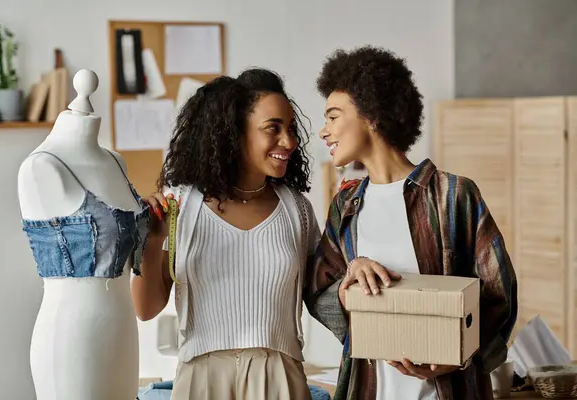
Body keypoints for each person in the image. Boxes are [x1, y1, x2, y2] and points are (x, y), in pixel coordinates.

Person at [303, 46, 518, 400]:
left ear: (371, 115)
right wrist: (350, 279)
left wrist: (459, 356)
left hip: (446, 391)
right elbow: (317, 292)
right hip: (370, 389)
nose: (324, 131)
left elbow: (499, 292)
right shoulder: (346, 205)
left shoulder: (453, 195)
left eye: (333, 116)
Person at [132, 68, 320, 400]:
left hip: (280, 380)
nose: (289, 142)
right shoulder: (180, 206)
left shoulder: (297, 211)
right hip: (201, 381)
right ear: (235, 133)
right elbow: (146, 309)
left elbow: (325, 294)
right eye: (272, 128)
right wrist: (153, 239)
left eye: (291, 129)